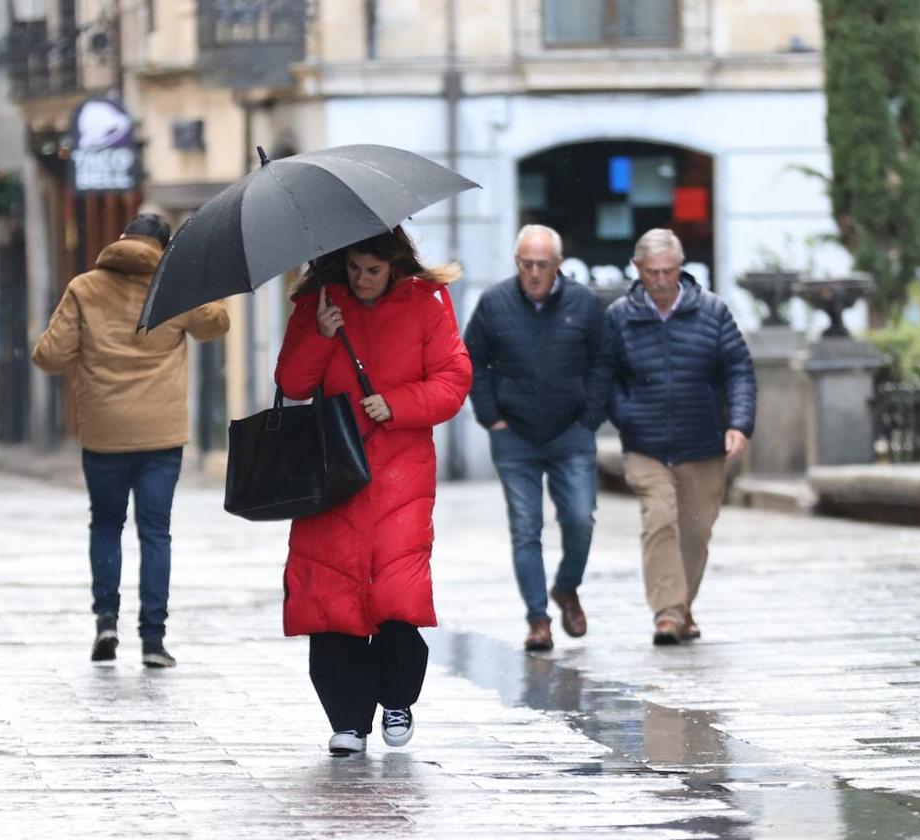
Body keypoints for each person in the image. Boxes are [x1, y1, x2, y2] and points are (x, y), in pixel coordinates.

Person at [275, 226, 471, 755]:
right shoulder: (318, 302)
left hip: (400, 471)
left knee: (396, 595)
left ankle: (398, 697)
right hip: (333, 469)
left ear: (394, 265)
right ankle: (348, 720)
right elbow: (292, 383)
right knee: (331, 597)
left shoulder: (427, 303)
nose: (363, 280)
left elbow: (453, 379)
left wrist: (398, 403)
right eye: (355, 268)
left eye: (374, 270)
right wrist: (318, 333)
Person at [32, 213, 229, 667]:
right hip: (161, 436)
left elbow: (49, 355)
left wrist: (89, 341)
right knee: (155, 532)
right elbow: (215, 325)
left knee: (105, 525)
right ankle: (153, 640)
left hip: (104, 434)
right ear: (164, 248)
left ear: (121, 241)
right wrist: (199, 279)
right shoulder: (173, 285)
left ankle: (105, 620)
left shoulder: (84, 287)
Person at [463, 225, 611, 652]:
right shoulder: (494, 303)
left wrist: (589, 418)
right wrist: (490, 416)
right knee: (526, 528)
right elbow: (472, 360)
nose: (533, 273)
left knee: (580, 519)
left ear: (558, 266)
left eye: (541, 265)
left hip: (571, 431)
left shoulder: (584, 303)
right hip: (514, 435)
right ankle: (538, 619)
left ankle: (566, 588)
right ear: (516, 263)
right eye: (525, 264)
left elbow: (603, 363)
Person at [605, 228, 755, 646]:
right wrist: (626, 414)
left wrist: (739, 425)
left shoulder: (713, 311)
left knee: (696, 530)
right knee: (659, 519)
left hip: (702, 441)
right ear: (638, 269)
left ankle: (683, 606)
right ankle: (667, 615)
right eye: (653, 272)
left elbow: (738, 371)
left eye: (670, 271)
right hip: (645, 443)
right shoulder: (619, 315)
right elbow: (605, 377)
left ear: (680, 268)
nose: (662, 280)